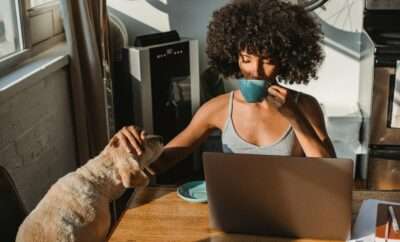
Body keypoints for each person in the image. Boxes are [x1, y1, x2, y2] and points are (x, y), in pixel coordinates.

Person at [110, 0, 336, 176]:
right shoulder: (217, 108)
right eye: (246, 59)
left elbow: (330, 172)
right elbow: (162, 162)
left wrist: (295, 118)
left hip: (290, 207)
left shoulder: (303, 105)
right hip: (234, 208)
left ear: (285, 60)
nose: (255, 71)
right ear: (234, 57)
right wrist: (131, 147)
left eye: (267, 60)